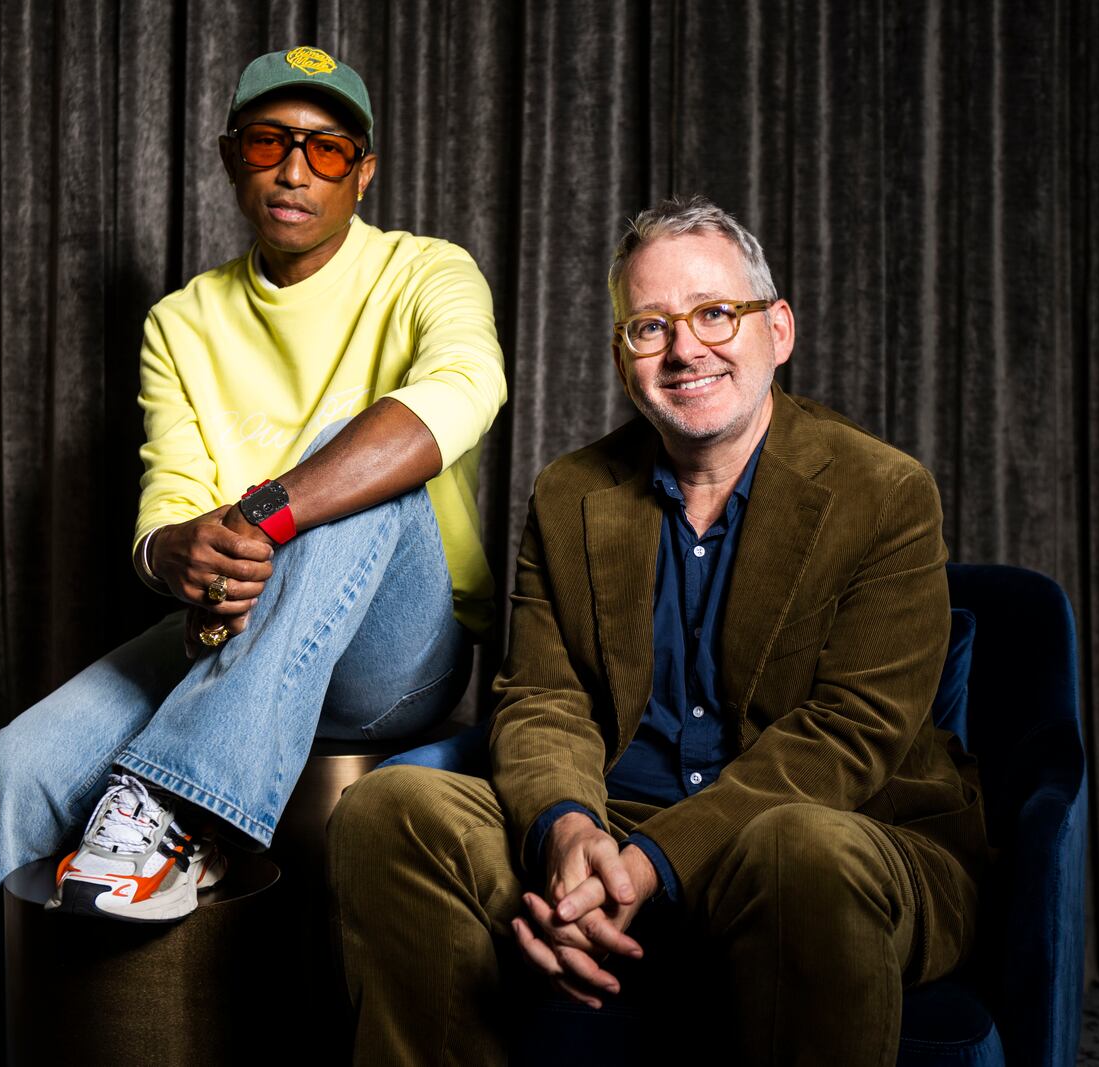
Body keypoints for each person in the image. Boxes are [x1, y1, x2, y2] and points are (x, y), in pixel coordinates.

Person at [329, 195, 989, 1064]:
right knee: (392, 808)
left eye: (716, 313)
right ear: (621, 355)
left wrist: (647, 865)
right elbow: (541, 700)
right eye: (650, 326)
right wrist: (571, 836)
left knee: (800, 850)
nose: (686, 349)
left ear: (777, 329)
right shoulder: (569, 494)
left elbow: (848, 738)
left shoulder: (885, 492)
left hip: (839, 833)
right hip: (611, 826)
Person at [0, 46, 506, 1064]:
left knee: (360, 447)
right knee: (19, 765)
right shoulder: (181, 321)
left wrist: (261, 512)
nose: (294, 169)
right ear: (230, 159)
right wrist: (181, 551)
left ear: (364, 170)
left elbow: (462, 393)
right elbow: (167, 499)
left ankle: (168, 805)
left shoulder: (427, 271)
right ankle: (15, 1043)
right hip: (236, 623)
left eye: (326, 149)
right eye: (268, 142)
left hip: (398, 653)